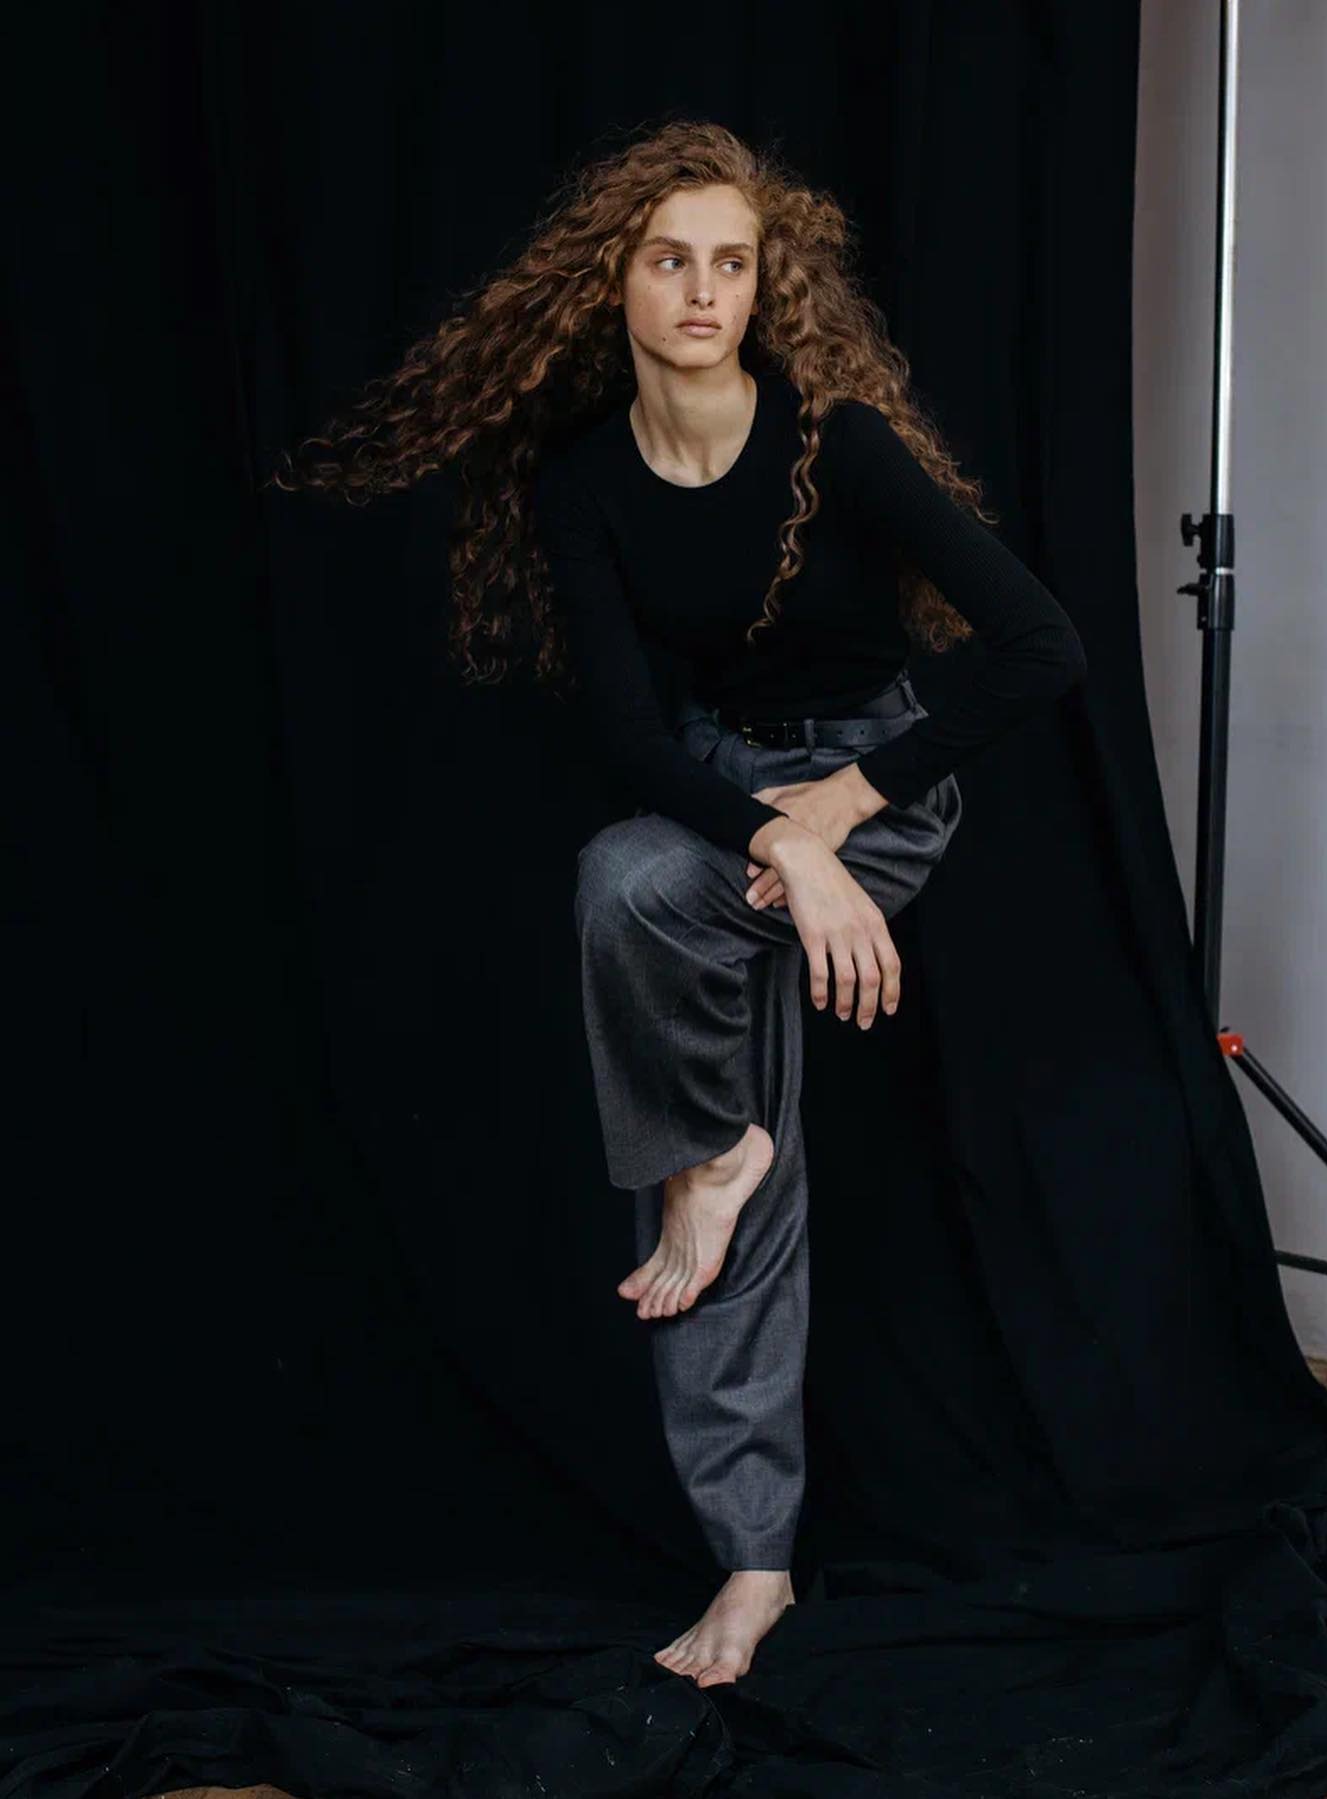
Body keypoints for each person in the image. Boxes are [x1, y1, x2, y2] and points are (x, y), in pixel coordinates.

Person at [268, 118, 1087, 1692]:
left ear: (765, 286)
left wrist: (839, 817)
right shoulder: (584, 482)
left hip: (874, 787)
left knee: (634, 895)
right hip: (726, 799)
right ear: (616, 285)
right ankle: (751, 1546)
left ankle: (706, 1147)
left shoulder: (836, 444)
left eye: (731, 263)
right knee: (670, 1010)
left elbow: (1041, 647)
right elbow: (635, 746)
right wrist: (777, 843)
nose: (704, 290)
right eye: (669, 260)